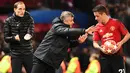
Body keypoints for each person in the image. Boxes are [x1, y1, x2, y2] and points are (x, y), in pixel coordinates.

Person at [31, 11, 96, 73]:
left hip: (51, 62)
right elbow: (66, 31)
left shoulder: (66, 32)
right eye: (71, 20)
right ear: (65, 21)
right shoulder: (57, 27)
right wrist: (84, 30)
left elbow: (68, 44)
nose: (73, 22)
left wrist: (78, 41)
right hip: (42, 59)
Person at [92, 5, 130, 73]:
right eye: (95, 16)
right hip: (104, 58)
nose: (95, 18)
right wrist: (101, 48)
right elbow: (95, 43)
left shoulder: (116, 22)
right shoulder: (97, 27)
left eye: (97, 16)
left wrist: (120, 43)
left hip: (117, 56)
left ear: (103, 14)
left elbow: (128, 35)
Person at [4, 1, 34, 73]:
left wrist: (28, 35)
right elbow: (6, 38)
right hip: (15, 55)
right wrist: (14, 38)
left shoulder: (30, 19)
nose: (22, 11)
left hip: (28, 53)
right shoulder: (8, 21)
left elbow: (31, 32)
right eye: (20, 9)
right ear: (15, 9)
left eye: (24, 9)